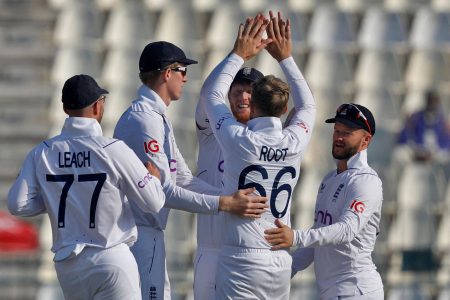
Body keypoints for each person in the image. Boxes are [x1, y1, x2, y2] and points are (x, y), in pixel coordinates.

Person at [113, 41, 267, 300]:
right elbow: (164, 192)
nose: (186, 78)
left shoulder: (156, 116)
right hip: (137, 235)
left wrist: (230, 198)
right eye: (182, 70)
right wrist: (225, 203)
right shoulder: (144, 120)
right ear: (167, 73)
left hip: (147, 235)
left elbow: (182, 179)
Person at [8, 74, 165, 300]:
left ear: (64, 108)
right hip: (111, 258)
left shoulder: (42, 152)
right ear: (96, 107)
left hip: (69, 266)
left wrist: (60, 196)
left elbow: (17, 204)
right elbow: (155, 201)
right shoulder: (113, 149)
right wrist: (153, 179)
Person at [201, 12, 316, 299]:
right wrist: (286, 58)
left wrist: (238, 54)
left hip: (241, 259)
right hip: (278, 258)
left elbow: (212, 95)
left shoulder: (240, 139)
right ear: (283, 106)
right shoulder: (295, 140)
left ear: (252, 108)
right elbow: (308, 106)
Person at [265, 103, 384, 299]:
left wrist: (294, 237)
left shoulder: (366, 181)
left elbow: (346, 231)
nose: (338, 137)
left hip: (356, 289)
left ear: (366, 140)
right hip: (335, 291)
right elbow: (318, 236)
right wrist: (286, 271)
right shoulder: (329, 179)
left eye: (347, 133)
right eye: (336, 130)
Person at [194, 65, 264, 299]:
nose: (244, 97)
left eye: (251, 91)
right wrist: (238, 55)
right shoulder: (212, 132)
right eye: (237, 91)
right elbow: (207, 94)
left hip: (249, 254)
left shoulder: (270, 140)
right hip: (210, 252)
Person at [397, 90, 450, 163]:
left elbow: (446, 144)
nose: (433, 103)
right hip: (416, 154)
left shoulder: (443, 122)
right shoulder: (415, 117)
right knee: (400, 153)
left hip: (435, 158)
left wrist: (433, 154)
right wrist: (416, 152)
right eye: (431, 100)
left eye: (435, 101)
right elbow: (404, 138)